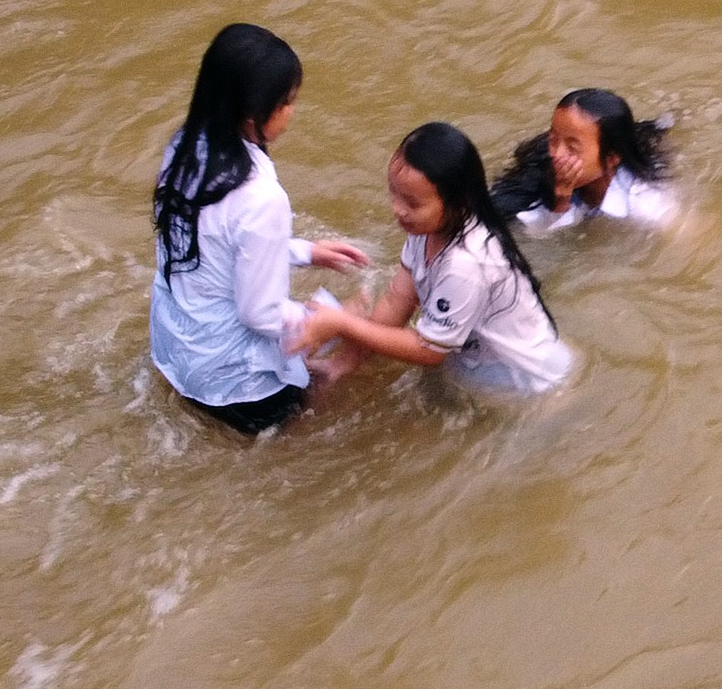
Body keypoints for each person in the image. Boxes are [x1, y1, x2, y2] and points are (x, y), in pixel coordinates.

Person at [148, 23, 369, 437]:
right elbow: (259, 314)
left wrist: (303, 251)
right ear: (253, 116)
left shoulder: (183, 147)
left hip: (176, 355)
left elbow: (217, 243)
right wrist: (333, 321)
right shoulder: (262, 197)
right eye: (287, 102)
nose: (291, 112)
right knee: (347, 389)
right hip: (240, 391)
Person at [290, 122, 574, 396]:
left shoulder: (466, 264)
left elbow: (428, 351)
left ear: (459, 204)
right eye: (394, 192)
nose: (398, 209)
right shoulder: (426, 229)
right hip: (479, 360)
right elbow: (397, 301)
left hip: (526, 382)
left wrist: (343, 324)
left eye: (412, 203)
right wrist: (341, 365)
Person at [491, 89, 683, 236]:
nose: (555, 154)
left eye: (572, 148)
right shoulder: (541, 171)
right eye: (553, 139)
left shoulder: (648, 206)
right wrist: (560, 201)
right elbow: (531, 233)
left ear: (611, 158)